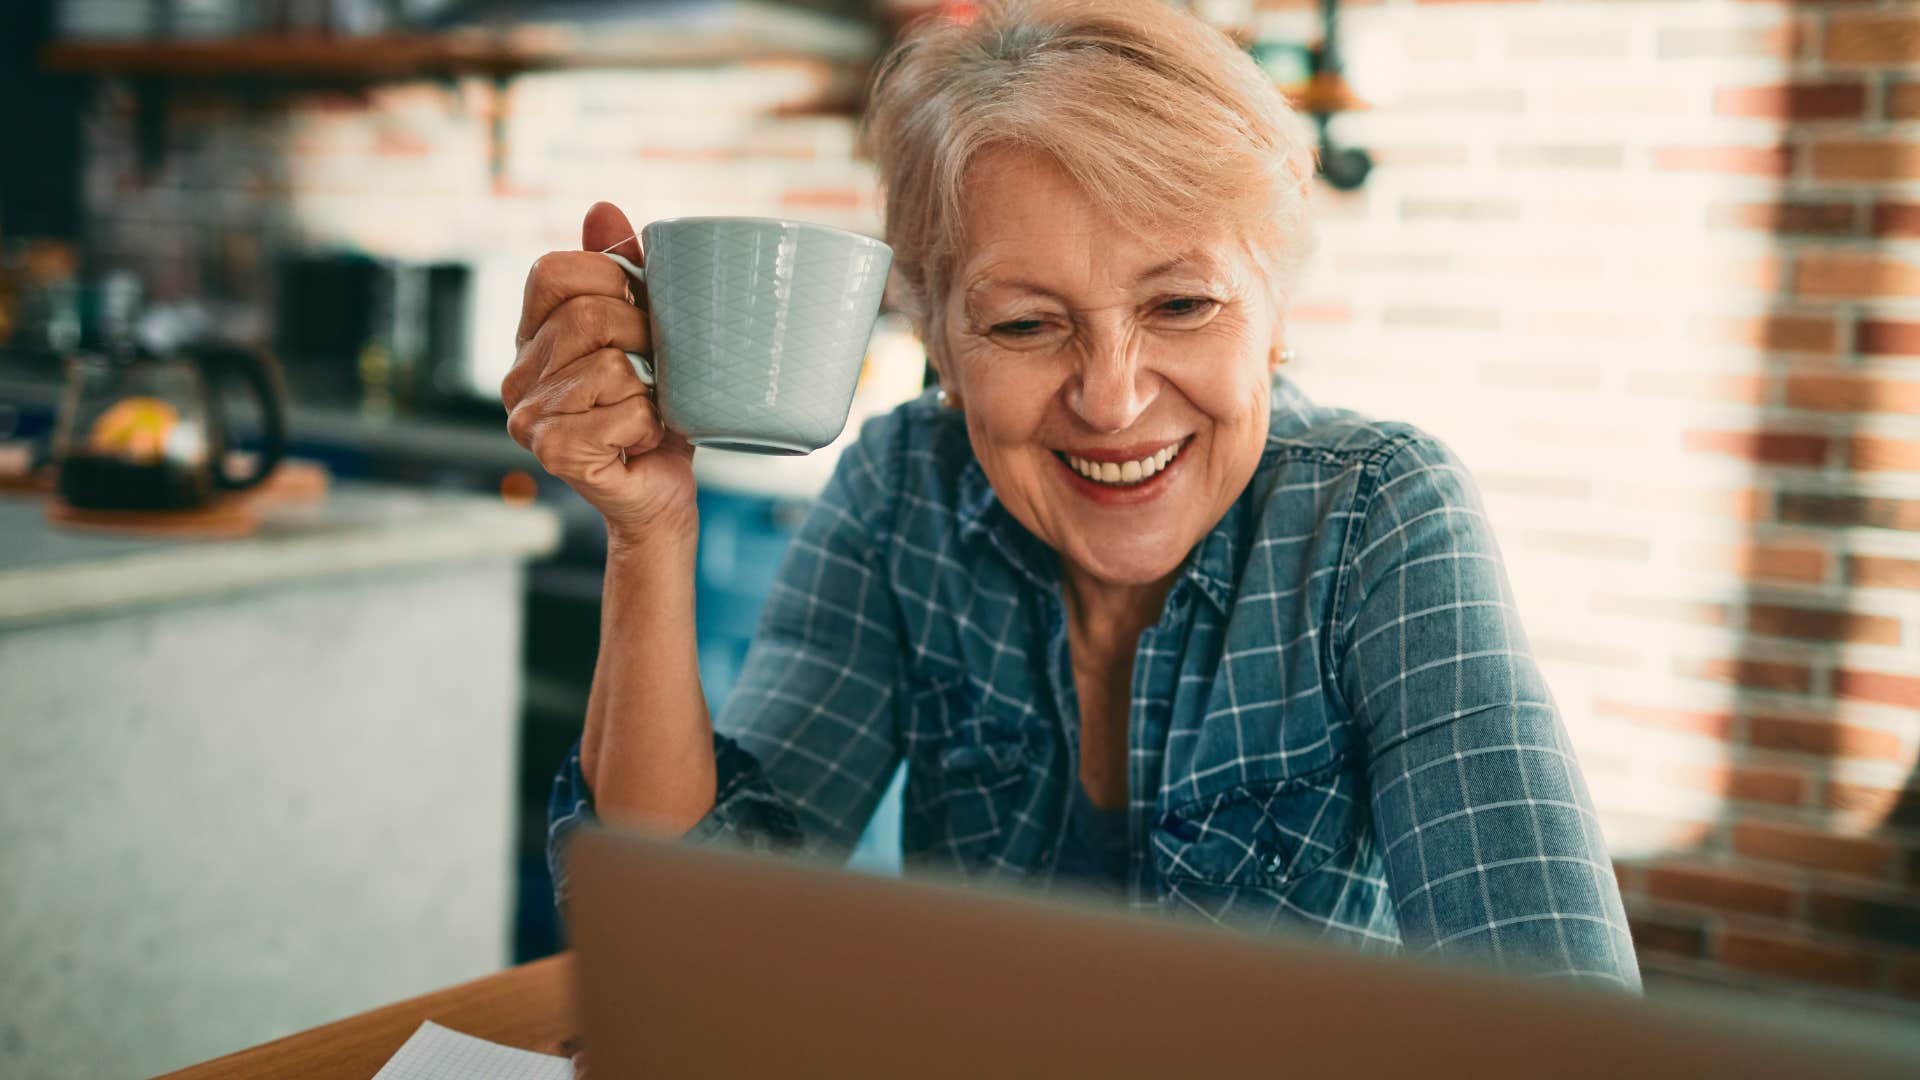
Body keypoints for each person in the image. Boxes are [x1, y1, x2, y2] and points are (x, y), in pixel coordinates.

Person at [504, 0, 1640, 990]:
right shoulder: (906, 487)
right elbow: (684, 938)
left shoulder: (1377, 518)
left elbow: (1554, 1013)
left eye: (1182, 306)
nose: (1110, 399)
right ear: (939, 343)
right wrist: (651, 532)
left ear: (1278, 314)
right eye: (1024, 325)